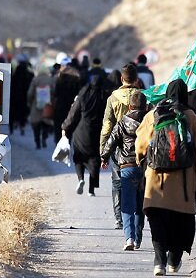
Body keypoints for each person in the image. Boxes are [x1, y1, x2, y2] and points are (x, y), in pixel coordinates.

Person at [135, 79, 196, 276]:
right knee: (181, 222)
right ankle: (173, 260)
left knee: (157, 221)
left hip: (156, 181)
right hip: (184, 182)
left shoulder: (153, 114)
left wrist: (141, 162)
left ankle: (159, 261)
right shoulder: (190, 116)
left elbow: (140, 146)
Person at [101, 91, 148, 251]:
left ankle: (129, 238)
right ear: (146, 106)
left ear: (129, 106)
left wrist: (104, 157)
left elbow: (110, 142)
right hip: (145, 168)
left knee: (127, 204)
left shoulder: (121, 123)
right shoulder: (149, 121)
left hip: (126, 167)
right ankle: (139, 238)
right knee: (141, 205)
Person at [100, 63, 142, 230]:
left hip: (118, 145)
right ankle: (137, 217)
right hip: (139, 145)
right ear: (136, 79)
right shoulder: (141, 96)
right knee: (139, 183)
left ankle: (119, 218)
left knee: (117, 183)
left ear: (121, 78)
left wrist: (103, 150)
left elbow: (107, 125)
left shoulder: (113, 97)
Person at [62, 73, 108, 196]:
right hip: (97, 133)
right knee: (94, 160)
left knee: (79, 157)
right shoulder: (104, 98)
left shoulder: (83, 97)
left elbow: (72, 115)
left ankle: (81, 178)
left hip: (81, 132)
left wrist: (65, 127)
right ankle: (91, 190)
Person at [53, 64, 81, 144]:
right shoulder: (76, 81)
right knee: (69, 126)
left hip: (60, 106)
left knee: (58, 127)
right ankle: (67, 143)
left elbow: (56, 93)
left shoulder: (60, 80)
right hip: (71, 107)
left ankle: (58, 143)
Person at [27, 65, 54, 149]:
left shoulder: (35, 80)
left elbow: (30, 93)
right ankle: (44, 138)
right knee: (46, 122)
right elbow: (54, 91)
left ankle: (37, 142)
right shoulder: (51, 80)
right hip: (48, 105)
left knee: (36, 124)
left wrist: (29, 102)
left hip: (36, 104)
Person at [9, 60, 34, 135]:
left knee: (12, 113)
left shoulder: (14, 76)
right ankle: (22, 126)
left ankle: (11, 127)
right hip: (24, 98)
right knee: (22, 113)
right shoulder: (28, 76)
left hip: (13, 98)